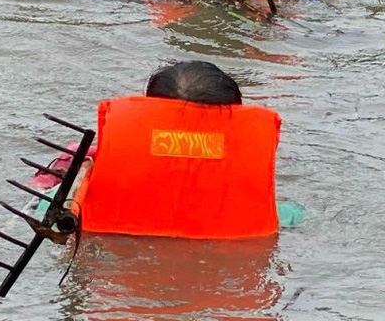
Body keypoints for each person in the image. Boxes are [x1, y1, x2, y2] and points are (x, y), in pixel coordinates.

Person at [65, 60, 282, 240]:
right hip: (227, 274)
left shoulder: (83, 166)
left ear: (149, 111)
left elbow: (42, 209)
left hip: (111, 269)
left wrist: (81, 176)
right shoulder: (264, 203)